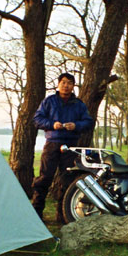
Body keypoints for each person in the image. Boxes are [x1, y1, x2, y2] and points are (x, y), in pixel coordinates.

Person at [32, 72, 93, 222]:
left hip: (71, 146)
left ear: (73, 86)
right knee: (44, 179)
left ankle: (63, 216)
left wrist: (76, 125)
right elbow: (37, 119)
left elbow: (88, 122)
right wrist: (52, 124)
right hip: (52, 144)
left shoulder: (79, 104)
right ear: (58, 84)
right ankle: (36, 215)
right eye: (63, 82)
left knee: (67, 180)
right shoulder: (49, 101)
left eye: (69, 83)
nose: (66, 86)